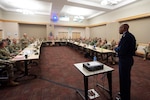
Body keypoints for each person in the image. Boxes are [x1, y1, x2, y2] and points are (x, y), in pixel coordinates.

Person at [115, 24, 136, 100]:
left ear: (124, 28)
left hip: (125, 60)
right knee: (124, 78)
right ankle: (123, 92)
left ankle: (125, 97)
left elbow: (122, 50)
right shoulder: (130, 36)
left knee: (124, 79)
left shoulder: (126, 37)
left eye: (119, 28)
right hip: (127, 59)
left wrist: (116, 49)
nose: (119, 30)